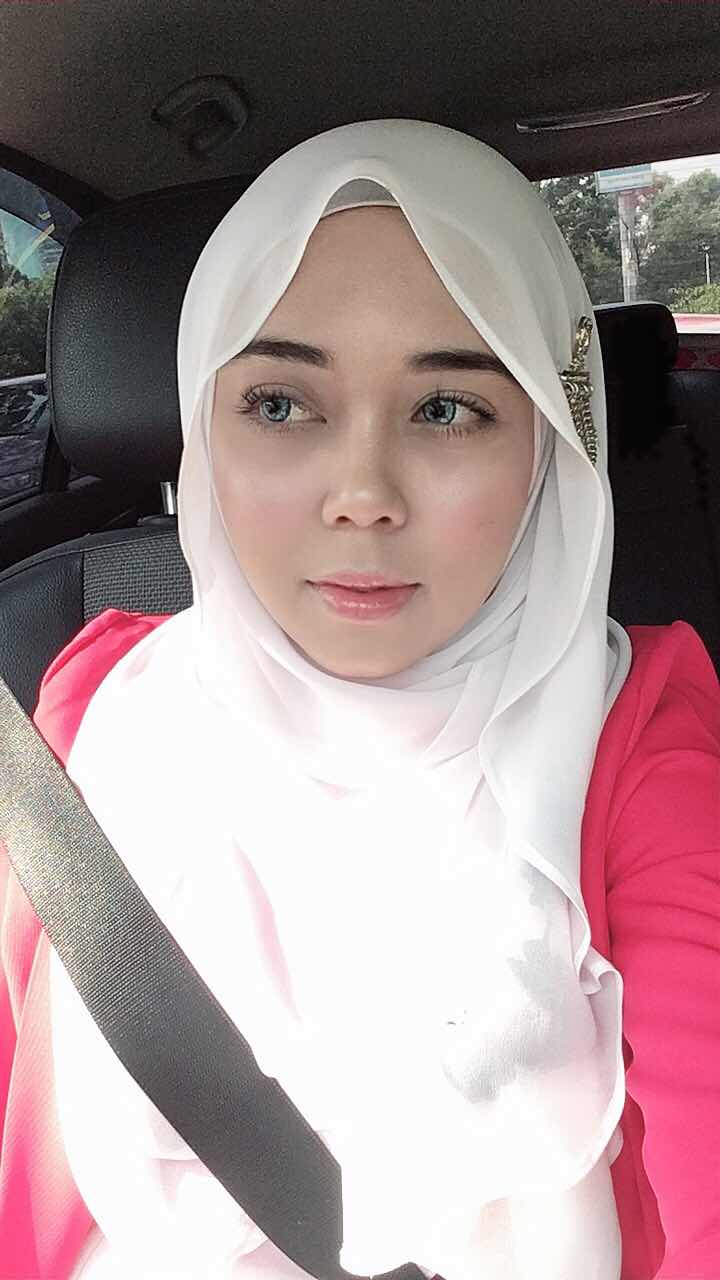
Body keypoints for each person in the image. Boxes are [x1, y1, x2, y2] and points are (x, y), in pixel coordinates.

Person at [0, 119, 718, 1280]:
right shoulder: (94, 709)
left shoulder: (636, 739)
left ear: (547, 443)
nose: (363, 493)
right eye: (282, 404)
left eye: (447, 409)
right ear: (201, 423)